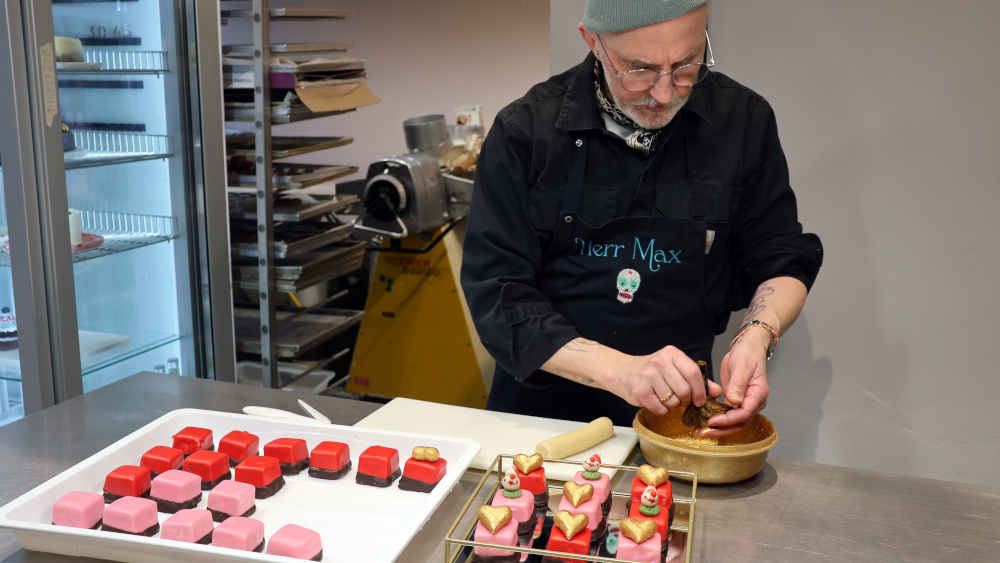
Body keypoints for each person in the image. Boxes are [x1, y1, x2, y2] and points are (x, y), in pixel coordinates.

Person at [460, 0, 822, 436]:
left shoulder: (742, 122)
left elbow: (781, 257)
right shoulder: (526, 132)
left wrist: (757, 334)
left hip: (680, 416)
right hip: (541, 419)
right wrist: (620, 370)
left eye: (686, 65)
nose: (665, 92)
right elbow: (497, 294)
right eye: (640, 70)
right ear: (593, 42)